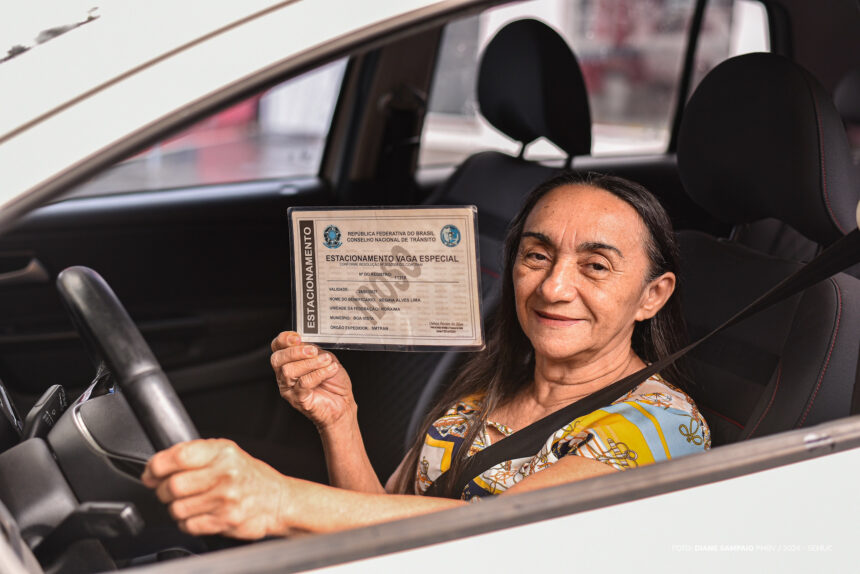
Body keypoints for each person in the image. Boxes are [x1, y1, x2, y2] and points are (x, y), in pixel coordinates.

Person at [141, 172, 711, 538]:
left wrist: (277, 499)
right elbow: (379, 523)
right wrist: (340, 420)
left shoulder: (664, 426)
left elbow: (496, 533)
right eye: (537, 256)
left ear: (652, 296)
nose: (554, 287)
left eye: (595, 266)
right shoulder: (485, 390)